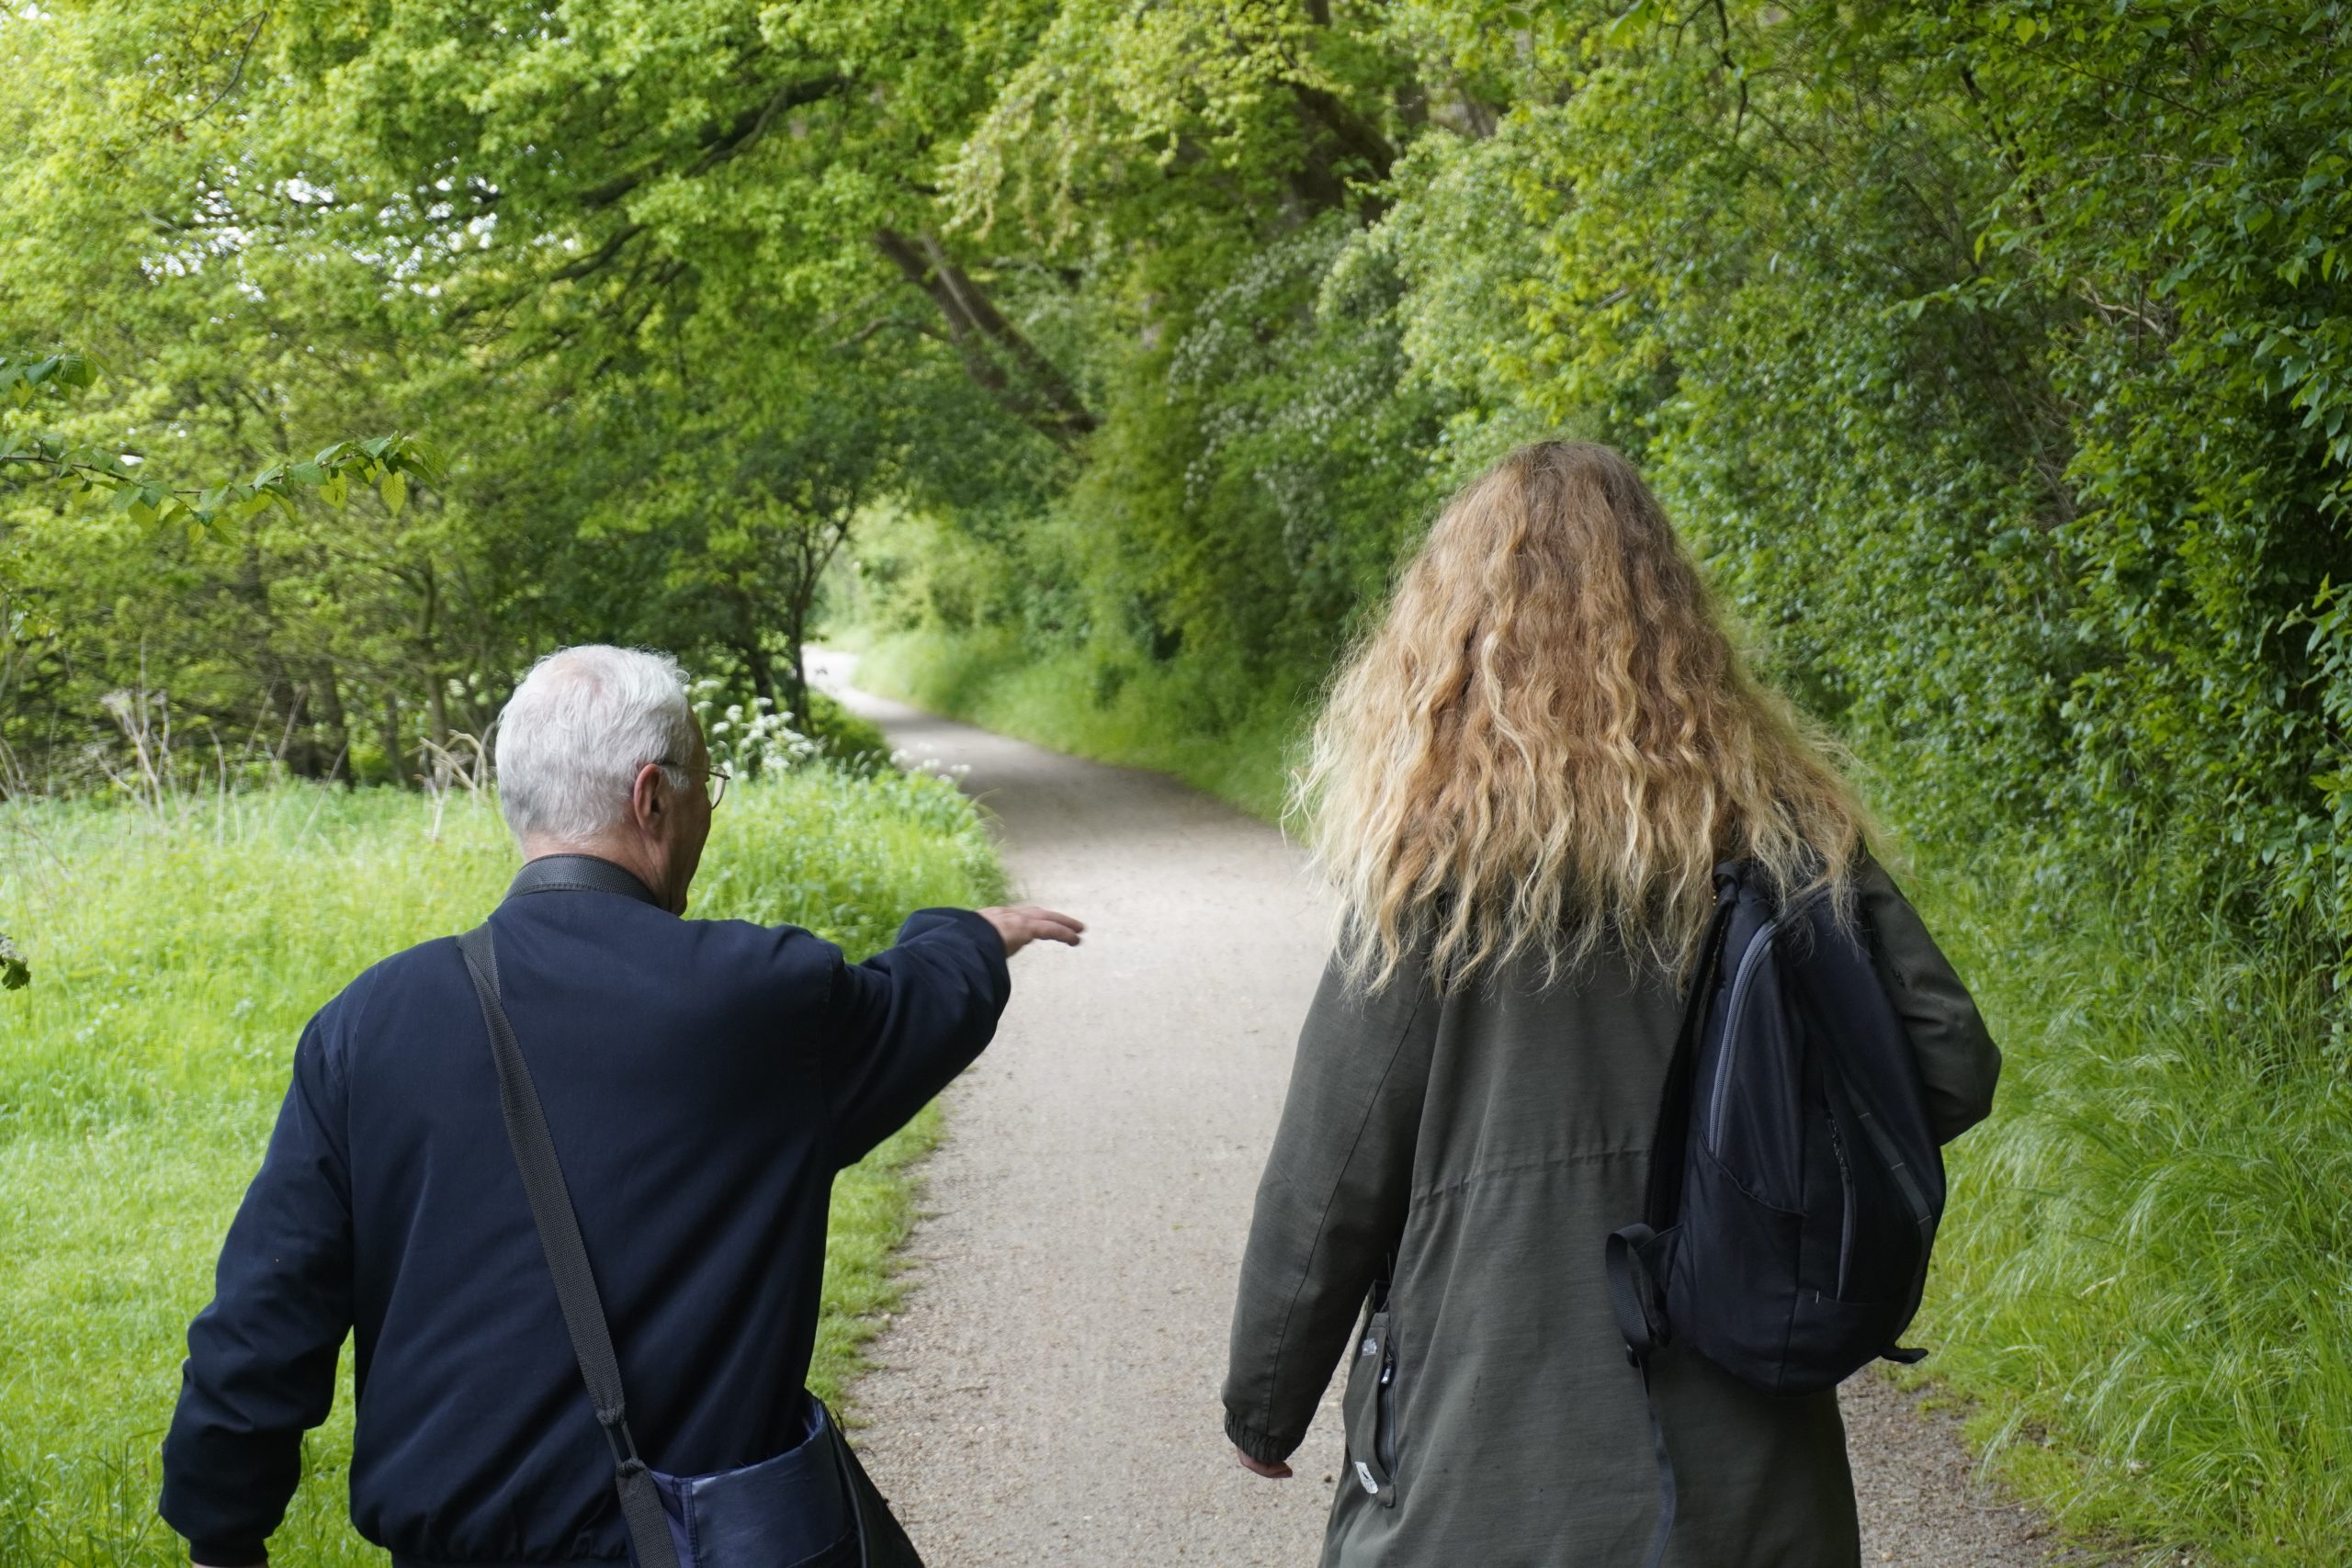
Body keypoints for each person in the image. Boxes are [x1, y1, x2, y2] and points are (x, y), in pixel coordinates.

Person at [1221, 443, 2000, 1566]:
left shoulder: (1432, 870)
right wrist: (1772, 1167)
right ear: (1675, 615)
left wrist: (1266, 1398)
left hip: (1479, 1448)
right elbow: (1943, 1055)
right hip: (1744, 1451)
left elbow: (1335, 1163)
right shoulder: (1776, 831)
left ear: (1453, 633)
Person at [160, 644, 1081, 1568]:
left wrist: (220, 1532)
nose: (707, 812)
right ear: (652, 798)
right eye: (705, 786)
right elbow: (920, 1005)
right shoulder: (758, 1002)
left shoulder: (365, 1026)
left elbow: (267, 1313)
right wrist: (965, 933)